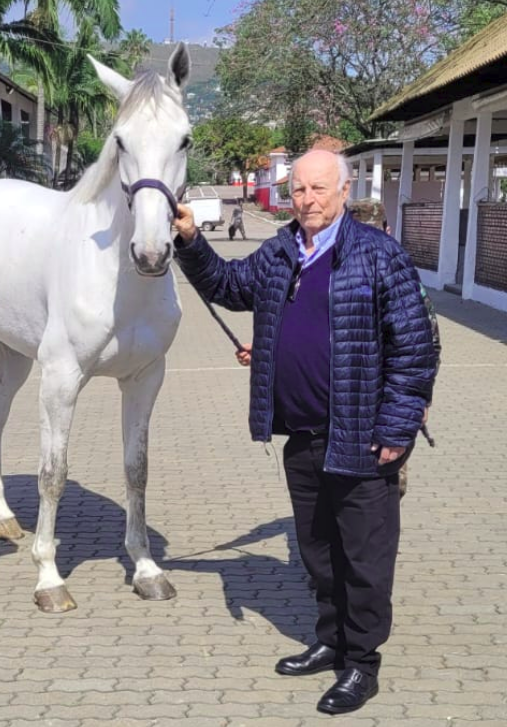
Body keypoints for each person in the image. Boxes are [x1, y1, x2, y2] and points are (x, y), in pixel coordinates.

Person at [173, 150, 438, 714]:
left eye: (319, 189)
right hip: (301, 434)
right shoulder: (281, 249)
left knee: (364, 558)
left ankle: (362, 664)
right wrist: (191, 241)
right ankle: (331, 638)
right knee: (318, 551)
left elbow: (416, 350)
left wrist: (397, 427)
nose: (308, 200)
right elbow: (227, 284)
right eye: (298, 191)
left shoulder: (378, 255)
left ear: (344, 192)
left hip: (363, 438)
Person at [348, 198, 442, 498]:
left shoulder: (401, 277)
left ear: (387, 231)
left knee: (386, 492)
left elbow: (429, 342)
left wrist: (420, 399)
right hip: (344, 408)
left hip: (391, 404)